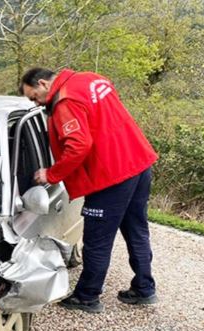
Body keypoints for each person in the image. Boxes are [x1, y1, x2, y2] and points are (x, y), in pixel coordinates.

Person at [19, 67, 159, 313]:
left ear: (42, 83)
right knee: (137, 229)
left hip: (110, 176)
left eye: (34, 96)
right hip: (138, 162)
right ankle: (144, 288)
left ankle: (87, 296)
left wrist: (51, 174)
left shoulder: (64, 102)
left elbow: (79, 146)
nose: (38, 103)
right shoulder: (90, 79)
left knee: (97, 240)